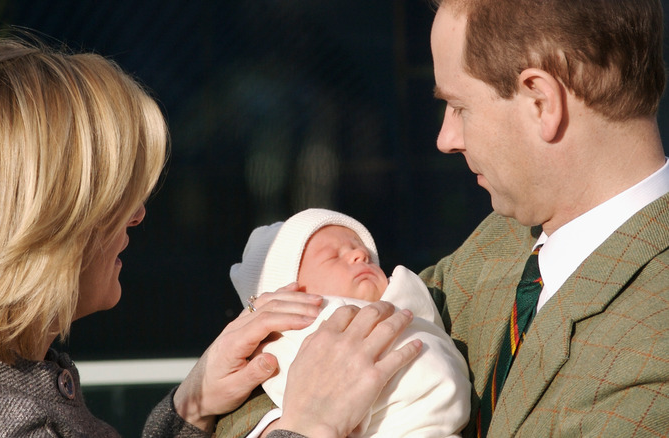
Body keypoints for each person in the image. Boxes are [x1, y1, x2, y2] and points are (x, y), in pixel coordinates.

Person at [0, 38, 424, 437]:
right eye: (114, 195)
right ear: (39, 225)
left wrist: (188, 408)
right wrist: (312, 424)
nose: (140, 215)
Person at [216, 0, 669, 436]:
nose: (446, 139)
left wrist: (308, 426)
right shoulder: (504, 240)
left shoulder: (653, 340)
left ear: (541, 101)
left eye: (459, 106)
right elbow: (256, 395)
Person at [228, 208, 470, 437]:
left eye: (363, 252)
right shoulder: (288, 340)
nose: (360, 255)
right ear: (289, 295)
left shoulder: (417, 298)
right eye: (332, 256)